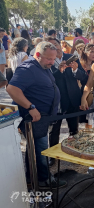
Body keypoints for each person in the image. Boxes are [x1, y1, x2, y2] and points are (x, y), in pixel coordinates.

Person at [7, 41, 66, 189]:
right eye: (49, 59)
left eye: (53, 59)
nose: (52, 62)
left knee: (34, 150)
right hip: (34, 118)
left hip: (42, 117)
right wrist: (30, 107)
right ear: (38, 55)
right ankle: (44, 181)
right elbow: (12, 89)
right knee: (40, 150)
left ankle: (31, 178)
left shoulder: (42, 66)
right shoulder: (28, 68)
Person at [47, 36, 88, 165]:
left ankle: (74, 154)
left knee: (74, 130)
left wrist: (76, 69)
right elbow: (48, 81)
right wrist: (59, 71)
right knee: (54, 131)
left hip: (73, 100)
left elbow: (84, 78)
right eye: (50, 45)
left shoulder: (71, 57)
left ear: (60, 45)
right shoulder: (47, 62)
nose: (54, 47)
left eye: (55, 44)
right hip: (57, 102)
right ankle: (53, 158)